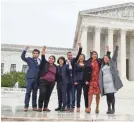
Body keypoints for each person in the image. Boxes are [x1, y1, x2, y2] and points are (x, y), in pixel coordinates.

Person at [85, 47, 110, 113]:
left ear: (97, 55)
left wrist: (108, 52)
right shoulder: (89, 61)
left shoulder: (99, 61)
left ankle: (97, 107)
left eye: (95, 54)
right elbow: (86, 71)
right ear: (91, 55)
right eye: (93, 54)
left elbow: (106, 58)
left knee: (97, 95)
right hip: (91, 80)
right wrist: (86, 80)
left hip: (98, 81)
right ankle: (89, 107)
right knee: (90, 94)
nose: (94, 55)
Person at [99, 44, 123, 114]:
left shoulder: (111, 64)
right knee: (107, 96)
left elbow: (115, 56)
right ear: (103, 60)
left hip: (111, 83)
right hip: (105, 84)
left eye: (107, 58)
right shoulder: (102, 66)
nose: (105, 59)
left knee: (112, 96)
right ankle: (109, 108)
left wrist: (116, 48)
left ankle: (113, 108)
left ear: (109, 59)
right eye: (104, 58)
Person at [38, 46, 58, 112]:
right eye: (50, 58)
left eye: (52, 59)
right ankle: (40, 107)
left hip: (51, 83)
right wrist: (43, 49)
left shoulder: (56, 67)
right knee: (42, 93)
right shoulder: (45, 63)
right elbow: (43, 56)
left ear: (54, 60)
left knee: (48, 95)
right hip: (43, 81)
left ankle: (45, 107)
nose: (51, 59)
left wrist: (55, 81)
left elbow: (57, 75)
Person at [21, 46, 41, 111]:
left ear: (38, 54)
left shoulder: (40, 61)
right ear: (33, 54)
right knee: (28, 93)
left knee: (35, 93)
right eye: (34, 53)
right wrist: (25, 49)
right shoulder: (29, 59)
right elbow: (22, 57)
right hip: (30, 78)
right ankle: (26, 106)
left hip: (37, 79)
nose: (35, 54)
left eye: (36, 53)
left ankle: (34, 106)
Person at [66, 42, 82, 112]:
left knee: (72, 94)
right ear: (67, 56)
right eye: (69, 55)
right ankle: (68, 106)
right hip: (66, 81)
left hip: (72, 80)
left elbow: (78, 55)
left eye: (71, 55)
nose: (70, 56)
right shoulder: (65, 62)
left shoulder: (73, 61)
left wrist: (80, 47)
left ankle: (72, 106)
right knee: (67, 94)